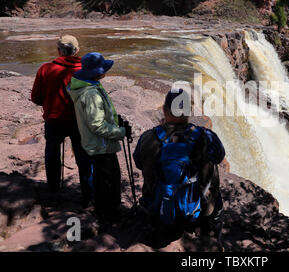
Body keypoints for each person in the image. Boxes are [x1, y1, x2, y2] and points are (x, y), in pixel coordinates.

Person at [133, 88, 225, 245]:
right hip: (199, 208)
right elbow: (219, 156)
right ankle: (210, 229)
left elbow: (138, 163)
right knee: (212, 169)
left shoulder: (148, 137)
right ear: (189, 112)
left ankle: (158, 219)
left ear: (164, 110)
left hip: (157, 205)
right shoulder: (206, 136)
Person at [66, 52, 130, 221]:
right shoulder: (91, 94)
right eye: (104, 69)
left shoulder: (90, 86)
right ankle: (110, 213)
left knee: (104, 179)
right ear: (97, 72)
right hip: (101, 145)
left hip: (97, 143)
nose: (106, 72)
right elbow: (97, 125)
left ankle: (105, 209)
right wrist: (120, 132)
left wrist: (116, 122)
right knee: (109, 180)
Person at [31, 35, 93, 207]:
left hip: (54, 120)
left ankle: (53, 189)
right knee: (84, 157)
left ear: (58, 50)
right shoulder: (86, 70)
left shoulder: (45, 69)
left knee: (52, 153)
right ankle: (88, 196)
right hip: (80, 122)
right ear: (77, 50)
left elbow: (36, 98)